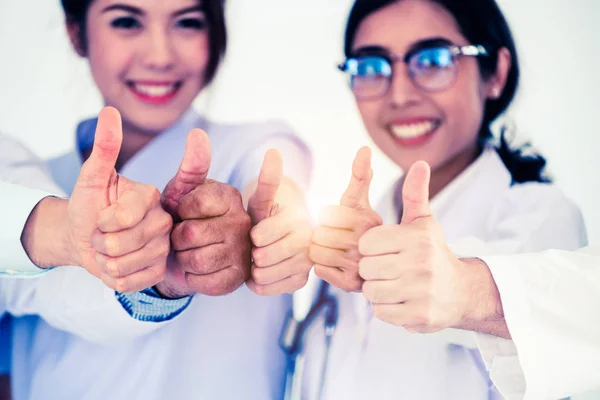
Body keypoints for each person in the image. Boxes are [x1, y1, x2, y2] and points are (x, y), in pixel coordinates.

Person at [4, 0, 313, 399]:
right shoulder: (22, 186)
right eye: (126, 21)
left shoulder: (251, 148)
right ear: (76, 32)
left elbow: (277, 181)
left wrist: (281, 227)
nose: (159, 56)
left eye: (186, 23)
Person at [305, 0, 587, 398]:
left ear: (496, 74)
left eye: (434, 60)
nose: (400, 94)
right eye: (370, 67)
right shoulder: (349, 230)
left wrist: (462, 288)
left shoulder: (539, 220)